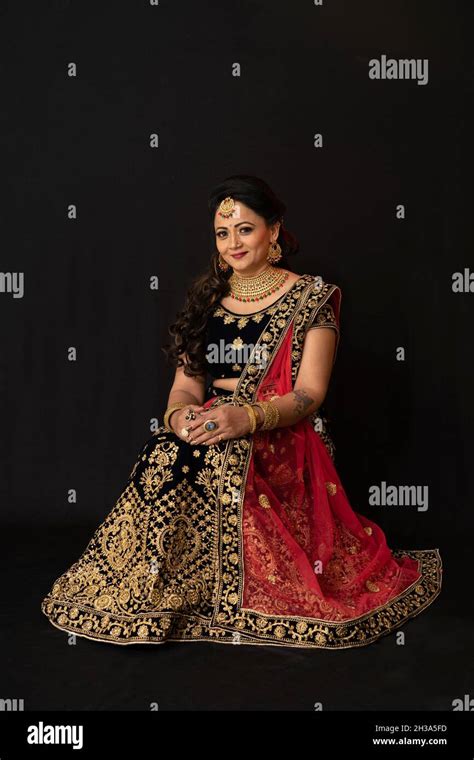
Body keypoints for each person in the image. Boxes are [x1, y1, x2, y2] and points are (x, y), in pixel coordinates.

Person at [41, 175, 442, 649]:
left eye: (245, 229)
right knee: (162, 456)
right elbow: (185, 387)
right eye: (222, 232)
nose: (232, 243)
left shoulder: (311, 298)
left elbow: (310, 395)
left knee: (223, 461)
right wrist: (178, 419)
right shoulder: (206, 299)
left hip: (279, 430)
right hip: (211, 422)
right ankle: (164, 591)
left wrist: (245, 418)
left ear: (274, 231)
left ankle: (228, 595)